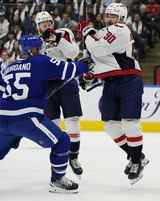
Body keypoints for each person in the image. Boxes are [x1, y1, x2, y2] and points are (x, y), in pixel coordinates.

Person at [0, 35, 88, 193]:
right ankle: (58, 180)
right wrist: (85, 64)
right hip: (26, 117)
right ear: (35, 49)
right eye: (39, 47)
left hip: (2, 116)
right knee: (62, 140)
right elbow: (71, 70)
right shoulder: (41, 60)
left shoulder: (9, 66)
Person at [81, 3, 149, 185]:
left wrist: (87, 33)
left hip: (129, 80)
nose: (109, 18)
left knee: (130, 123)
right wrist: (90, 73)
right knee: (110, 125)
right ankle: (137, 156)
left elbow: (98, 49)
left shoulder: (120, 29)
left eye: (113, 16)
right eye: (107, 15)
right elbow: (97, 56)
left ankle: (135, 162)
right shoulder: (104, 31)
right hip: (110, 83)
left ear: (121, 19)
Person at [35, 11, 83, 176]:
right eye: (43, 24)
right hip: (47, 87)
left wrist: (57, 39)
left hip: (67, 82)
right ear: (38, 26)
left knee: (72, 121)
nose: (47, 25)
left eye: (49, 22)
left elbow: (73, 54)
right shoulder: (36, 42)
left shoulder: (64, 33)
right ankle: (58, 162)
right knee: (53, 127)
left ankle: (74, 157)